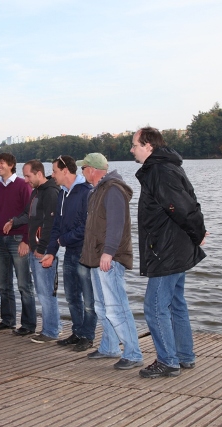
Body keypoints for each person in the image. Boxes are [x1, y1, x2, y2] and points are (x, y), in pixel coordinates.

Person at [131, 127, 208, 379]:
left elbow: (183, 207)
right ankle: (184, 356)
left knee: (154, 307)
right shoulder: (167, 167)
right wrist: (196, 233)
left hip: (166, 249)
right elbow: (189, 203)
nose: (131, 150)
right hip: (175, 247)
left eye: (134, 145)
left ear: (148, 146)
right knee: (175, 303)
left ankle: (168, 361)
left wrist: (198, 232)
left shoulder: (159, 171)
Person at [79, 152, 144, 370]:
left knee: (117, 307)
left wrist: (108, 252)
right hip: (96, 258)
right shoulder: (98, 190)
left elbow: (116, 224)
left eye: (83, 168)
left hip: (109, 258)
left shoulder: (113, 189)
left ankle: (133, 353)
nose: (82, 172)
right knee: (102, 306)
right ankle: (109, 346)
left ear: (92, 170)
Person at [41, 155, 96, 351]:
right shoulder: (62, 193)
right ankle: (77, 332)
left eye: (55, 171)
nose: (52, 175)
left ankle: (88, 336)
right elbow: (56, 225)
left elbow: (87, 226)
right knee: (72, 297)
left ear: (65, 171)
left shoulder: (86, 192)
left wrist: (63, 240)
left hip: (84, 252)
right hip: (69, 252)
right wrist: (51, 251)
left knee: (88, 299)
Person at [5, 160, 60, 343]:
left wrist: (42, 248)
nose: (26, 180)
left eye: (28, 176)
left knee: (46, 292)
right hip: (36, 249)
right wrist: (13, 221)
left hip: (43, 251)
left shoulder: (51, 192)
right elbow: (29, 215)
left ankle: (51, 331)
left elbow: (51, 224)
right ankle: (51, 327)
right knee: (41, 291)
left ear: (39, 174)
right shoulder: (36, 191)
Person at [0, 153, 36, 336]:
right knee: (3, 284)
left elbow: (31, 214)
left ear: (11, 165)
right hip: (0, 240)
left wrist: (26, 240)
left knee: (24, 284)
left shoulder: (23, 185)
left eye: (1, 163)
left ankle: (29, 324)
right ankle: (8, 320)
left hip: (18, 240)